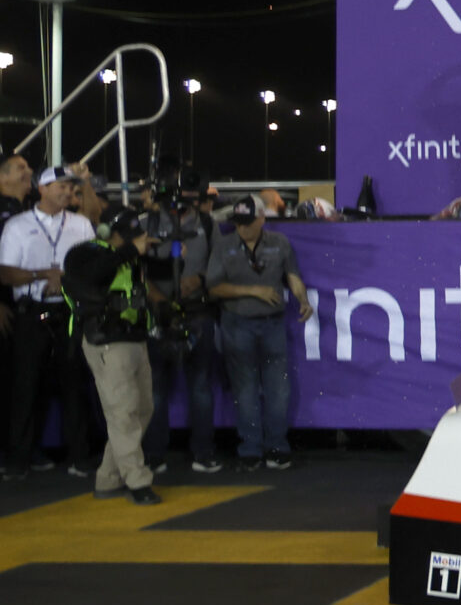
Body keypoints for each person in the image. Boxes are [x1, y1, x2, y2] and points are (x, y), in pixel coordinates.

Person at [62, 207, 167, 504]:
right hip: (106, 341)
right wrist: (131, 250)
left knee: (142, 410)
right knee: (123, 414)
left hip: (135, 338)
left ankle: (108, 478)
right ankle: (138, 483)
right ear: (109, 232)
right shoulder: (83, 254)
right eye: (128, 235)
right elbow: (94, 273)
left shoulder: (128, 257)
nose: (135, 241)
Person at [1, 165, 97, 477]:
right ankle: (18, 461)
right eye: (61, 186)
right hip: (32, 311)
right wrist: (43, 274)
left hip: (68, 311)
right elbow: (5, 273)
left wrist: (65, 280)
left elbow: (91, 269)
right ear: (41, 189)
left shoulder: (81, 224)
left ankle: (81, 458)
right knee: (25, 387)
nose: (68, 191)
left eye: (71, 187)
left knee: (74, 385)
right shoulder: (17, 225)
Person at [204, 198, 312, 469]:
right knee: (245, 388)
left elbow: (293, 276)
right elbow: (213, 287)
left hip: (272, 323)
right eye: (238, 223)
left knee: (279, 388)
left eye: (247, 223)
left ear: (261, 219)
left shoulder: (279, 243)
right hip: (237, 323)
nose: (242, 229)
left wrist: (303, 299)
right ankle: (250, 448)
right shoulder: (224, 245)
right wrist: (253, 290)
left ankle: (276, 446)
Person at [142, 178, 225, 473]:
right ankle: (154, 454)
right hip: (157, 312)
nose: (180, 206)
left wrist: (200, 280)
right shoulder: (147, 222)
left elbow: (219, 263)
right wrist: (158, 298)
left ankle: (203, 451)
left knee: (200, 385)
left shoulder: (207, 223)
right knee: (155, 388)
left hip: (197, 311)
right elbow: (136, 266)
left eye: (188, 199)